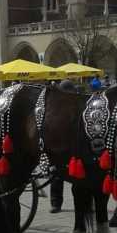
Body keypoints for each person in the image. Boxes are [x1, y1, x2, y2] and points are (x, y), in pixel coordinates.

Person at [49, 79, 77, 213]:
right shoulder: (56, 107)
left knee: (77, 177)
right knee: (56, 175)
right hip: (59, 147)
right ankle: (55, 203)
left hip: (72, 146)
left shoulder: (76, 106)